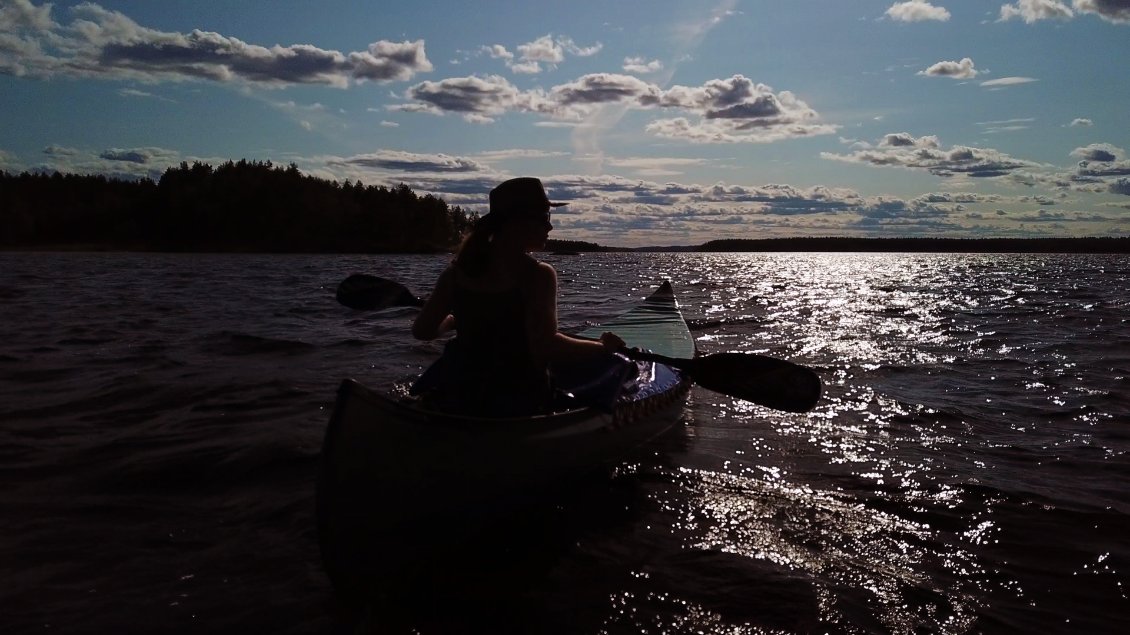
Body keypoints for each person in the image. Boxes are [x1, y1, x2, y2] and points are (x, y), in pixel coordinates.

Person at [411, 177, 626, 416]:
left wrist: (452, 320)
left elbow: (423, 331)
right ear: (516, 223)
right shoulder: (538, 274)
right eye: (544, 219)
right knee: (620, 366)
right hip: (518, 400)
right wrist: (602, 347)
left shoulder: (455, 274)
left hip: (458, 393)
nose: (550, 227)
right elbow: (546, 346)